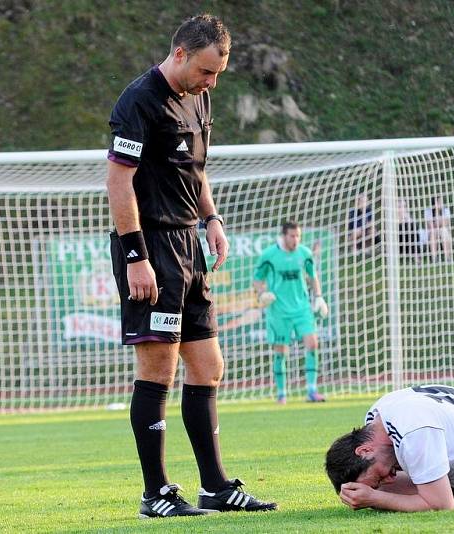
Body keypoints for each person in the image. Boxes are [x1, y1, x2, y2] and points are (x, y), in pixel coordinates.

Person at [106, 14, 276, 518]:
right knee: (158, 365)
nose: (212, 82)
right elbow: (118, 183)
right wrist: (136, 256)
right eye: (206, 71)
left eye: (218, 73)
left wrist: (212, 219)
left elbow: (195, 169)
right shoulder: (138, 100)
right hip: (151, 246)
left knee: (208, 365)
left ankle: (215, 487)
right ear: (180, 54)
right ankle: (155, 493)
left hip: (188, 246)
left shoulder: (200, 96)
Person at [325, 384, 454, 511]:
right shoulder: (380, 411)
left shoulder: (413, 434)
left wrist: (374, 498)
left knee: (405, 492)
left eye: (378, 477)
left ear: (364, 450)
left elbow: (443, 505)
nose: (388, 479)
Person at [252, 221, 329, 404]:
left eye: (298, 236)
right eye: (292, 236)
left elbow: (312, 277)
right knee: (281, 352)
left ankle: (311, 391)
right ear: (284, 235)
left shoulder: (305, 253)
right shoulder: (269, 255)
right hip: (278, 310)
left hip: (302, 308)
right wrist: (262, 294)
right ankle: (282, 394)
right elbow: (257, 280)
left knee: (312, 344)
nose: (296, 239)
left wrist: (318, 297)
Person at [424, 195, 453, 262]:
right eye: (439, 202)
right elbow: (431, 226)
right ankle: (434, 258)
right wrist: (436, 211)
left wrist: (438, 217)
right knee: (433, 232)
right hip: (431, 232)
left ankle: (448, 257)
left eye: (441, 202)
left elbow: (445, 224)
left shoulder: (446, 210)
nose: (441, 204)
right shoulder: (428, 211)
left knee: (443, 230)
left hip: (443, 231)